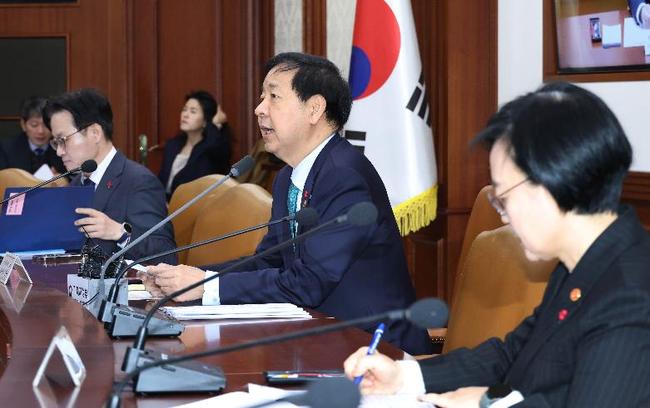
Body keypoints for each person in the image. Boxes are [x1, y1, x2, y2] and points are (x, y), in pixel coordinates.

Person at [344, 82, 650, 407]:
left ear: (552, 185)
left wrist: (489, 404)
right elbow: (514, 353)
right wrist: (404, 376)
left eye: (503, 198)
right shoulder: (586, 260)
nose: (503, 216)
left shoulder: (630, 293)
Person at [141, 52, 433, 356]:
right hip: (319, 341)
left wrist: (204, 285)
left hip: (375, 349)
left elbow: (309, 283)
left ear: (314, 109)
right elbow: (269, 261)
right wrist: (187, 279)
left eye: (274, 96)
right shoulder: (288, 177)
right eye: (261, 97)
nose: (259, 109)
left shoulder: (344, 176)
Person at [43, 88, 177, 264]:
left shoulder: (138, 181)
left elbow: (166, 255)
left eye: (63, 140)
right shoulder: (75, 184)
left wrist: (120, 233)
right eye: (55, 142)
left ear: (95, 133)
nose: (59, 151)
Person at [158, 90, 231, 199]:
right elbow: (161, 182)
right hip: (164, 205)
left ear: (205, 120)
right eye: (184, 109)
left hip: (195, 206)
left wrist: (215, 124)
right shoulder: (172, 145)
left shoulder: (210, 149)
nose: (185, 115)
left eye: (193, 111)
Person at [0, 96, 66, 176]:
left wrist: (63, 179)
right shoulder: (6, 149)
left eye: (46, 125)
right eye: (34, 125)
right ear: (23, 125)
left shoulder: (63, 147)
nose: (41, 131)